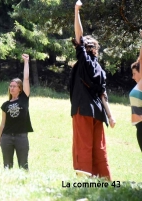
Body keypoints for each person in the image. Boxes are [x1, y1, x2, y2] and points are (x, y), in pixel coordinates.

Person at [70, 0, 112, 180]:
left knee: (83, 146)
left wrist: (76, 11)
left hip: (83, 110)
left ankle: (85, 182)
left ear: (85, 49)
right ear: (96, 50)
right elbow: (103, 95)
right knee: (99, 148)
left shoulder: (84, 62)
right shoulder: (100, 70)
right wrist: (110, 116)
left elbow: (78, 35)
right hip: (99, 114)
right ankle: (104, 182)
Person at [0, 53, 33, 170]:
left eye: (14, 86)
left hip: (21, 137)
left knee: (23, 166)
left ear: (20, 88)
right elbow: (2, 124)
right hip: (6, 137)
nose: (11, 88)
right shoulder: (5, 105)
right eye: (10, 86)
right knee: (7, 166)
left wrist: (26, 62)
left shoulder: (24, 99)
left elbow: (26, 79)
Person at [129, 44, 142, 152]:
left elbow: (141, 60)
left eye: (134, 73)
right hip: (139, 126)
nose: (133, 77)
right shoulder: (138, 86)